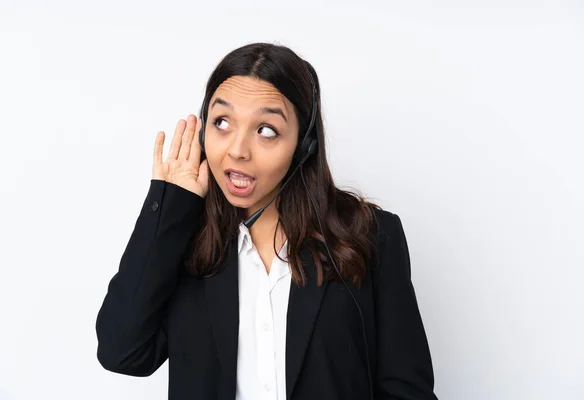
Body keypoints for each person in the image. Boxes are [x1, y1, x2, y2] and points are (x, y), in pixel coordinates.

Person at [95, 42, 438, 400]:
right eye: (222, 122)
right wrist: (169, 207)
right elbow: (122, 352)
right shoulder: (182, 239)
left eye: (266, 130)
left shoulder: (370, 236)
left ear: (303, 144)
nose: (238, 150)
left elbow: (407, 390)